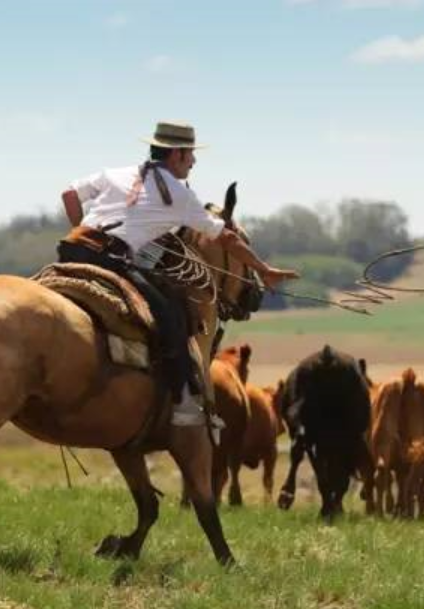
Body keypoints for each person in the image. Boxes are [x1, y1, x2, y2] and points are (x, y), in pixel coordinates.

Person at [58, 120, 298, 424]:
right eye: (191, 155)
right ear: (177, 155)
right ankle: (185, 406)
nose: (194, 162)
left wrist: (81, 230)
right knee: (172, 321)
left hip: (71, 252)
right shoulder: (179, 194)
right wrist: (263, 270)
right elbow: (225, 236)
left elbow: (69, 194)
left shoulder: (115, 173)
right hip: (111, 262)